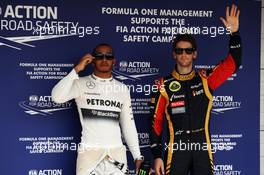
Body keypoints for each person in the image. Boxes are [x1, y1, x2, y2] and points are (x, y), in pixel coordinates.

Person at [149, 4, 241, 175]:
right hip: (176, 148)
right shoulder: (162, 85)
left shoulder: (206, 79)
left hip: (202, 148)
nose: (184, 54)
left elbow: (232, 64)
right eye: (179, 50)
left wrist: (234, 33)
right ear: (174, 54)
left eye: (188, 50)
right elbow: (156, 125)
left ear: (194, 54)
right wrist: (157, 155)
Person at [51, 43, 144, 175]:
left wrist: (137, 157)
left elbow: (128, 125)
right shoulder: (80, 83)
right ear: (93, 61)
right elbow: (56, 97)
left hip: (116, 154)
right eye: (100, 56)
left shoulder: (122, 89)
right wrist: (76, 69)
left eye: (108, 56)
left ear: (114, 61)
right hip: (89, 154)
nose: (104, 60)